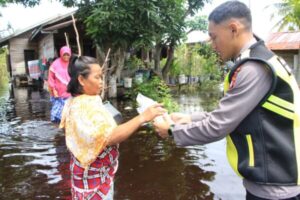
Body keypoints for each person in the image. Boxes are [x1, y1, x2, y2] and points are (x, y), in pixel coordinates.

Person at [154, 1, 300, 200]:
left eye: (214, 37)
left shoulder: (254, 69)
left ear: (233, 29)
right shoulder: (264, 59)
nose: (213, 45)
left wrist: (171, 130)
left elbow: (217, 126)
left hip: (274, 189)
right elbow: (231, 115)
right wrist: (188, 118)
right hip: (277, 177)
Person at [59, 56, 165, 199]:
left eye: (101, 77)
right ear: (81, 80)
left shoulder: (75, 101)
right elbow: (109, 136)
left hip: (86, 171)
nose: (102, 82)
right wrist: (143, 117)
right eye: (97, 77)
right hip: (93, 176)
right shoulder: (84, 106)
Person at [48, 46, 72, 123]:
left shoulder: (72, 64)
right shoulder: (55, 64)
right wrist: (54, 90)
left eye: (68, 55)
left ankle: (65, 130)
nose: (66, 56)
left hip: (69, 92)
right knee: (56, 115)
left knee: (68, 114)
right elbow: (51, 79)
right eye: (64, 54)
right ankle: (59, 131)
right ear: (61, 54)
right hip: (58, 93)